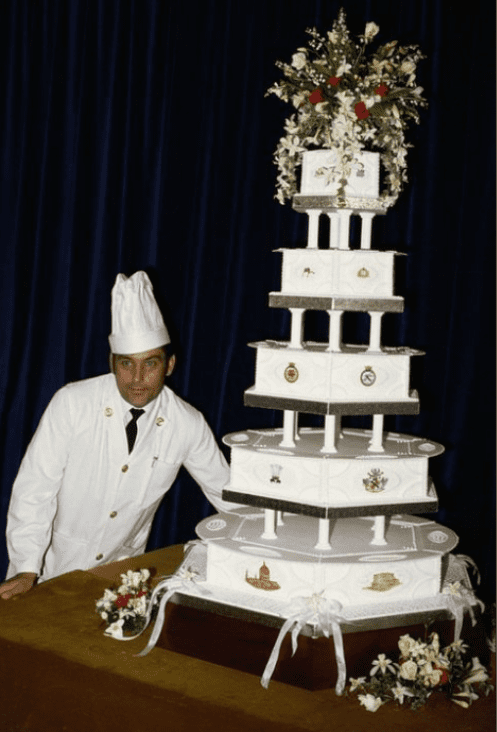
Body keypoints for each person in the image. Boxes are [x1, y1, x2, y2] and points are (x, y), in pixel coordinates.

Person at [1, 271, 239, 600]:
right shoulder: (73, 402)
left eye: (150, 364)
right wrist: (27, 565)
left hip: (120, 580)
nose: (137, 378)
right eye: (127, 364)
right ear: (112, 362)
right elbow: (35, 489)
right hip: (47, 571)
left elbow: (229, 495)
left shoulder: (187, 423)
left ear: (169, 365)